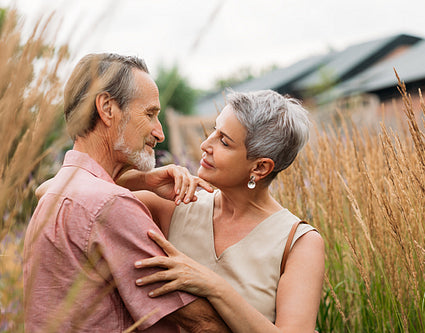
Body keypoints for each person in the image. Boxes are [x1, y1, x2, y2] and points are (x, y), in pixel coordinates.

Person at [23, 53, 230, 332]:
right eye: (150, 114)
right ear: (107, 108)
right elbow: (201, 323)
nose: (160, 133)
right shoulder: (112, 205)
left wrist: (141, 181)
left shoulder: (56, 193)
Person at [120, 90, 325, 332]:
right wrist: (145, 180)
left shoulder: (299, 243)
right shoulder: (179, 203)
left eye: (224, 141)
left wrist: (214, 287)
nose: (205, 145)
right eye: (213, 132)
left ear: (260, 167)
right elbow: (89, 192)